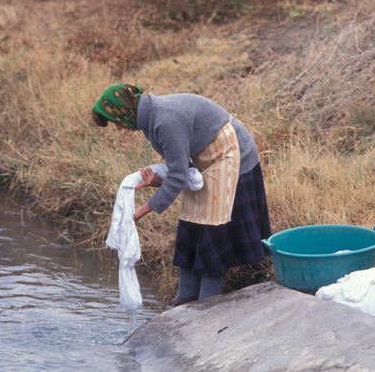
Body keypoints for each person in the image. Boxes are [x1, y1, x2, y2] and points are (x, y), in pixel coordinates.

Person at [92, 83, 271, 306]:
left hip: (231, 154)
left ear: (125, 110)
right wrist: (157, 182)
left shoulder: (165, 120)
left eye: (116, 120)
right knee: (190, 228)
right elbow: (180, 167)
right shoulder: (150, 122)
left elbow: (178, 176)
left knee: (212, 235)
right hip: (205, 161)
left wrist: (142, 211)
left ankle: (206, 306)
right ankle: (184, 304)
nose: (119, 128)